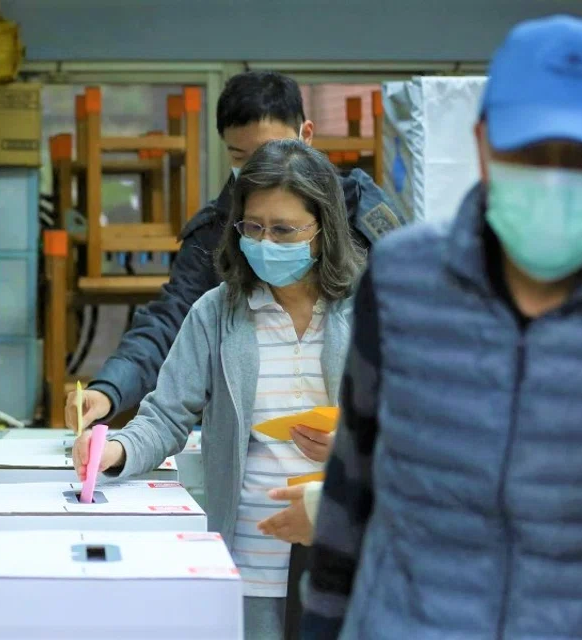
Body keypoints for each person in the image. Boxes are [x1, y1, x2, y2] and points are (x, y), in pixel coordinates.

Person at [303, 15, 582, 639]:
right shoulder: (403, 281)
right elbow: (349, 492)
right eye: (529, 151)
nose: (554, 180)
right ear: (484, 145)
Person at [72, 139, 364, 638]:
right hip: (247, 560)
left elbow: (413, 431)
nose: (265, 242)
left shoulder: (369, 310)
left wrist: (352, 449)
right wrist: (115, 449)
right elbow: (166, 415)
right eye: (253, 227)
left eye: (284, 230)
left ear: (324, 230)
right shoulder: (217, 312)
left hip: (344, 556)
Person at [65, 70, 403, 431]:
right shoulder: (215, 230)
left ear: (305, 135)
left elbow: (410, 319)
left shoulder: (361, 211)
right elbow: (169, 321)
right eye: (241, 156)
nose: (258, 173)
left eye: (286, 230)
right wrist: (109, 388)